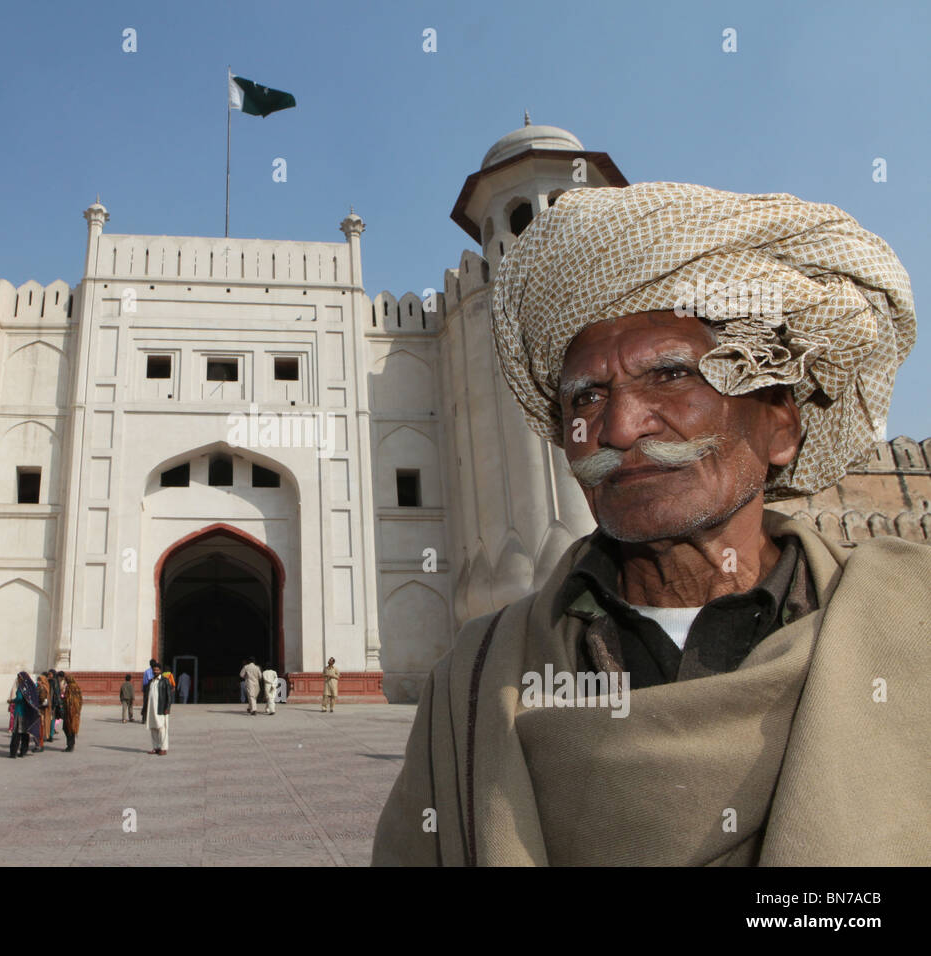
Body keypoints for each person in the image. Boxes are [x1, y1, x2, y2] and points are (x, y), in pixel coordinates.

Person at [374, 182, 930, 866]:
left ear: (781, 421)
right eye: (586, 395)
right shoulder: (474, 681)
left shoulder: (909, 621)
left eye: (670, 375)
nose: (617, 425)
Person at [7, 670, 41, 758]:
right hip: (27, 713)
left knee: (16, 733)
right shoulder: (30, 687)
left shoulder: (21, 687)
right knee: (25, 733)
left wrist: (12, 701)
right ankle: (23, 751)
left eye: (18, 678)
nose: (17, 679)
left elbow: (19, 698)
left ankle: (13, 752)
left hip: (20, 712)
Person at [145, 662, 172, 755]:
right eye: (154, 670)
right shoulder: (151, 681)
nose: (155, 671)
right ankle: (156, 747)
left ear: (161, 671)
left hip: (161, 708)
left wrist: (167, 707)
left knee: (162, 728)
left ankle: (163, 748)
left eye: (157, 669)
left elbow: (169, 695)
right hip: (151, 709)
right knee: (153, 728)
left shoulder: (165, 681)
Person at [60, 673, 83, 751]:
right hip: (76, 711)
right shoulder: (77, 687)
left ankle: (70, 745)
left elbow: (68, 700)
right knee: (72, 728)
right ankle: (71, 744)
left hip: (70, 711)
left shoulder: (70, 688)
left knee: (67, 728)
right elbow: (80, 699)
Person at [36, 672, 54, 750]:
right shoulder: (39, 688)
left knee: (40, 730)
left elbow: (44, 701)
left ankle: (40, 745)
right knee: (39, 729)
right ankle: (39, 745)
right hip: (39, 711)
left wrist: (37, 705)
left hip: (41, 712)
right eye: (37, 680)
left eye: (39, 680)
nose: (37, 682)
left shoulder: (43, 689)